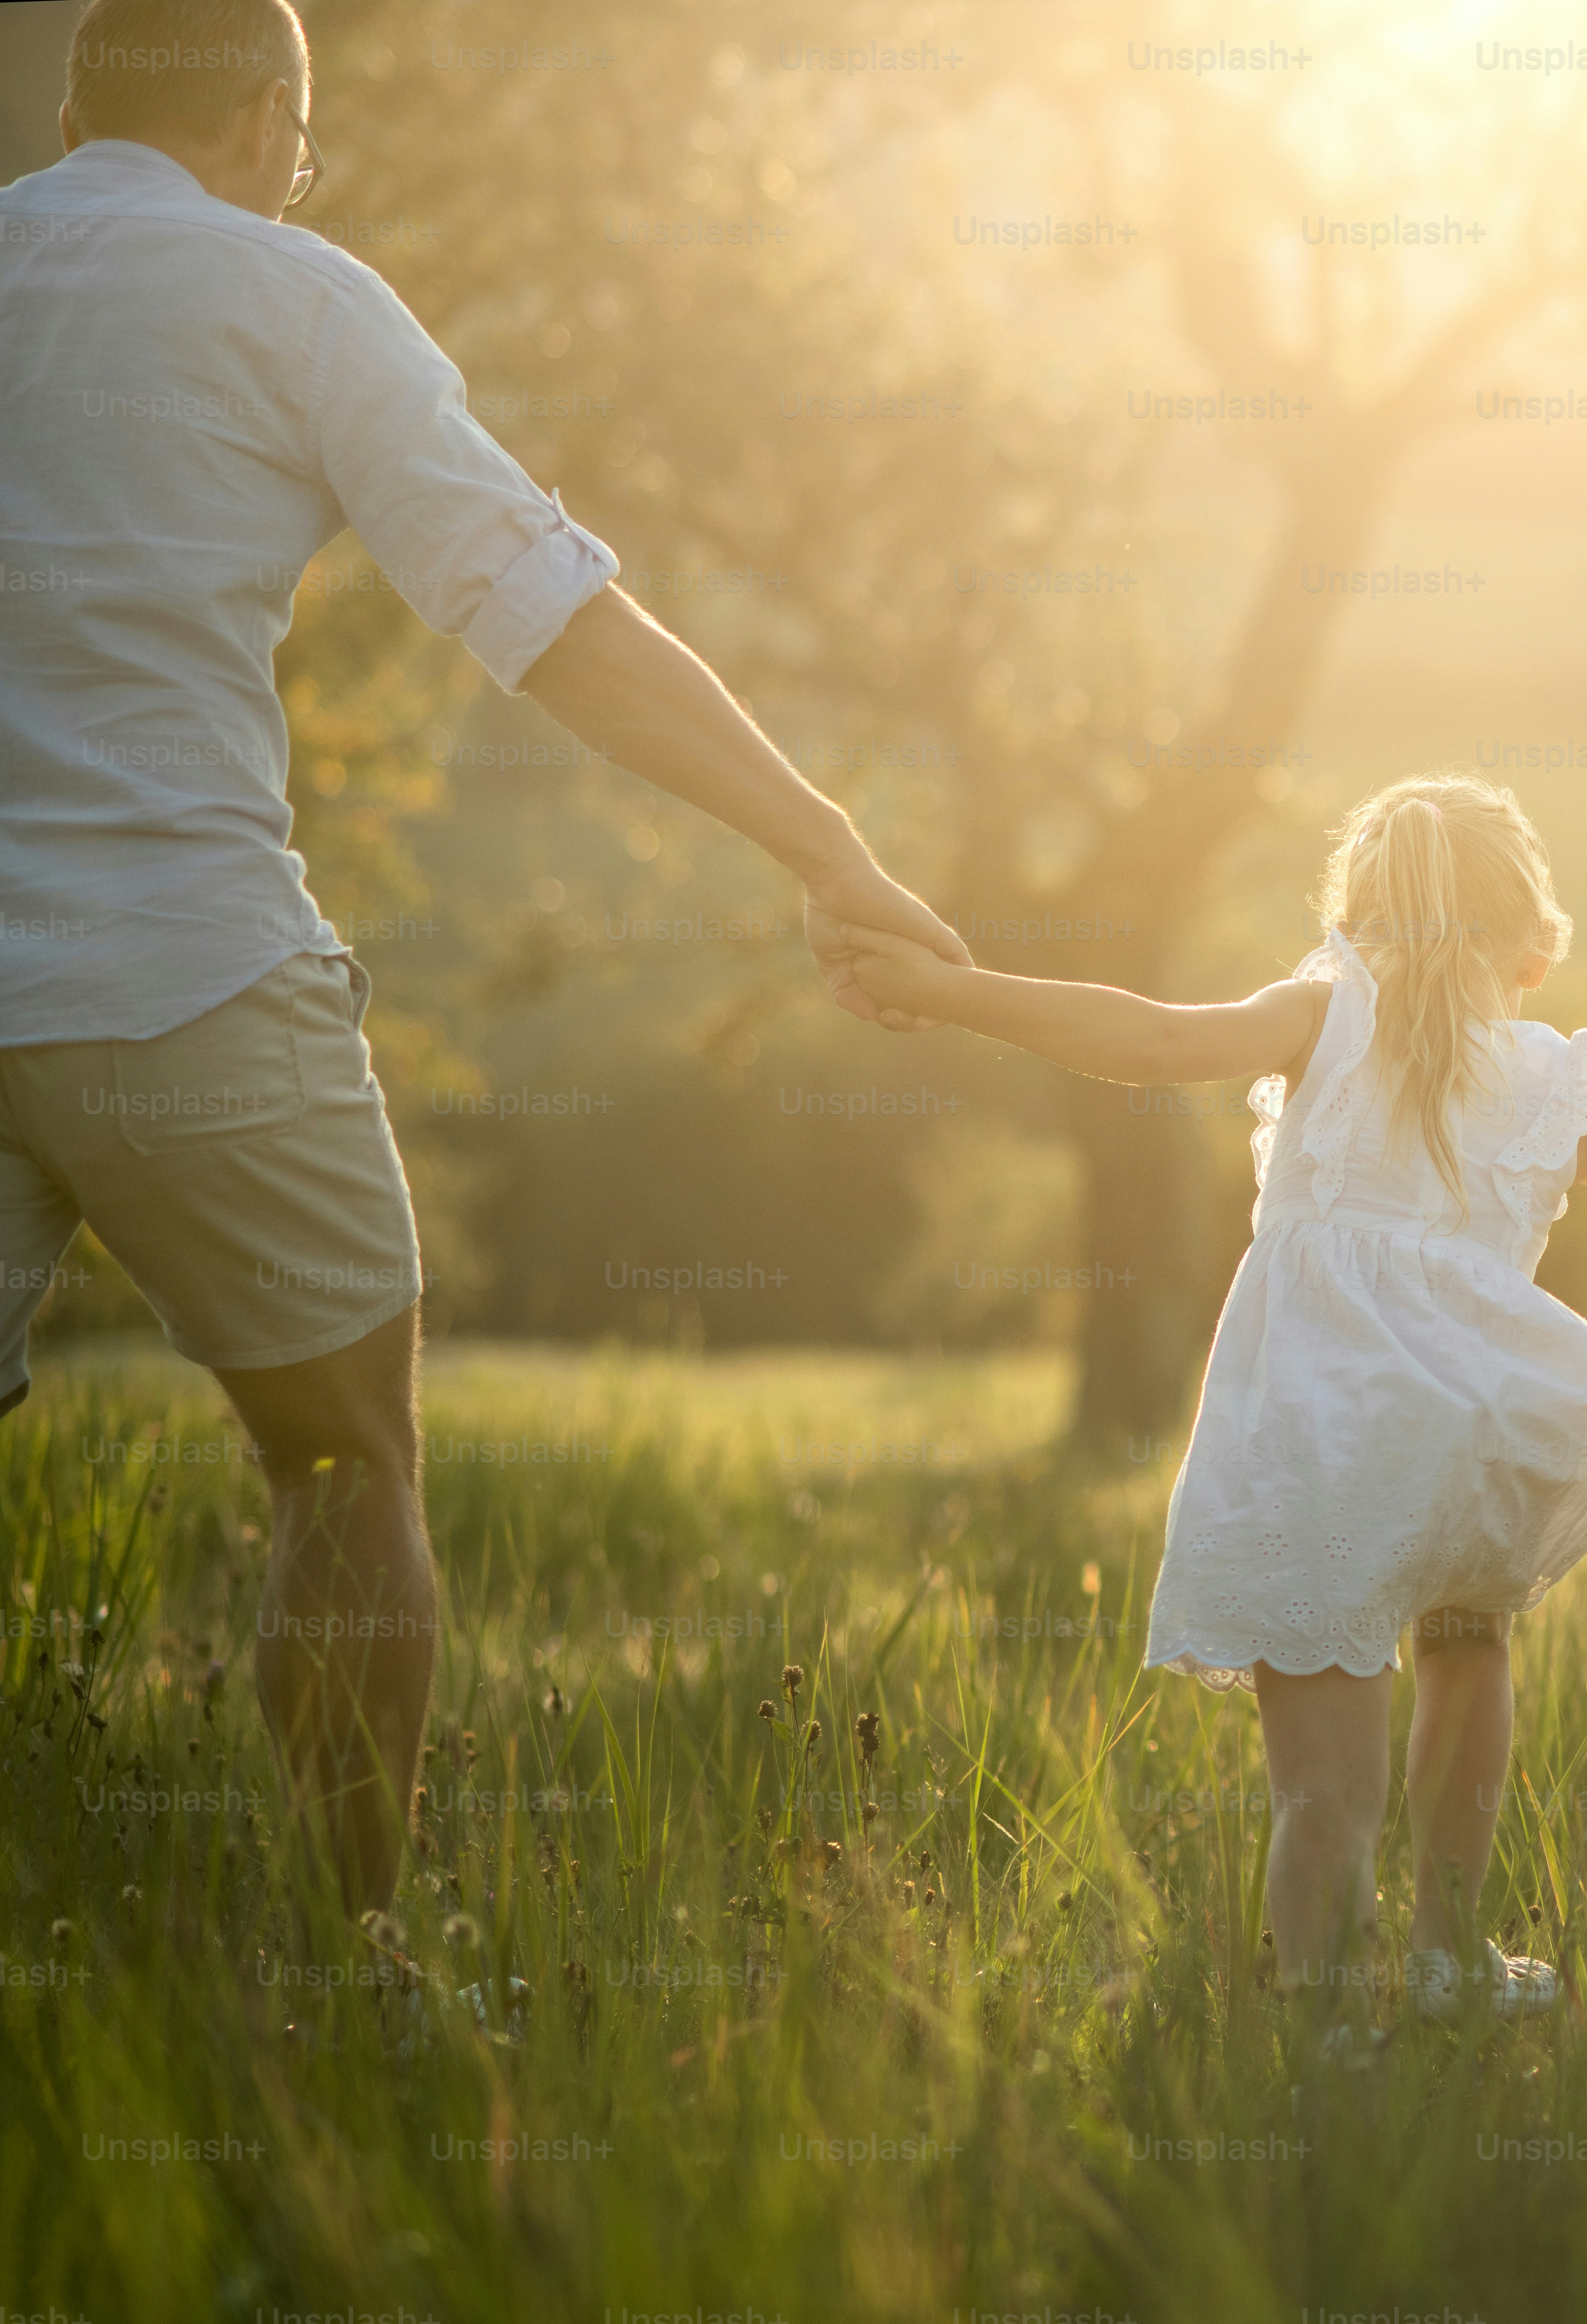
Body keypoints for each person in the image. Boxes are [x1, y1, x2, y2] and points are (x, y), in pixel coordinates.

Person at [0, 0, 969, 1928]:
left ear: (81, 101)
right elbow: (553, 619)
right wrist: (828, 844)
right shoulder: (291, 293)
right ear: (268, 117)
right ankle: (358, 1962)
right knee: (343, 1466)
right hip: (186, 965)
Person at [842, 774, 1587, 2041]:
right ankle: (1449, 1958)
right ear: (1531, 944)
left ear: (1353, 922)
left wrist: (944, 991)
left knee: (1322, 1796)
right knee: (1469, 1645)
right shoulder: (1552, 1083)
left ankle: (1327, 2034)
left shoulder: (1317, 1015)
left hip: (1322, 1434)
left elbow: (1152, 1040)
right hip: (1477, 1421)